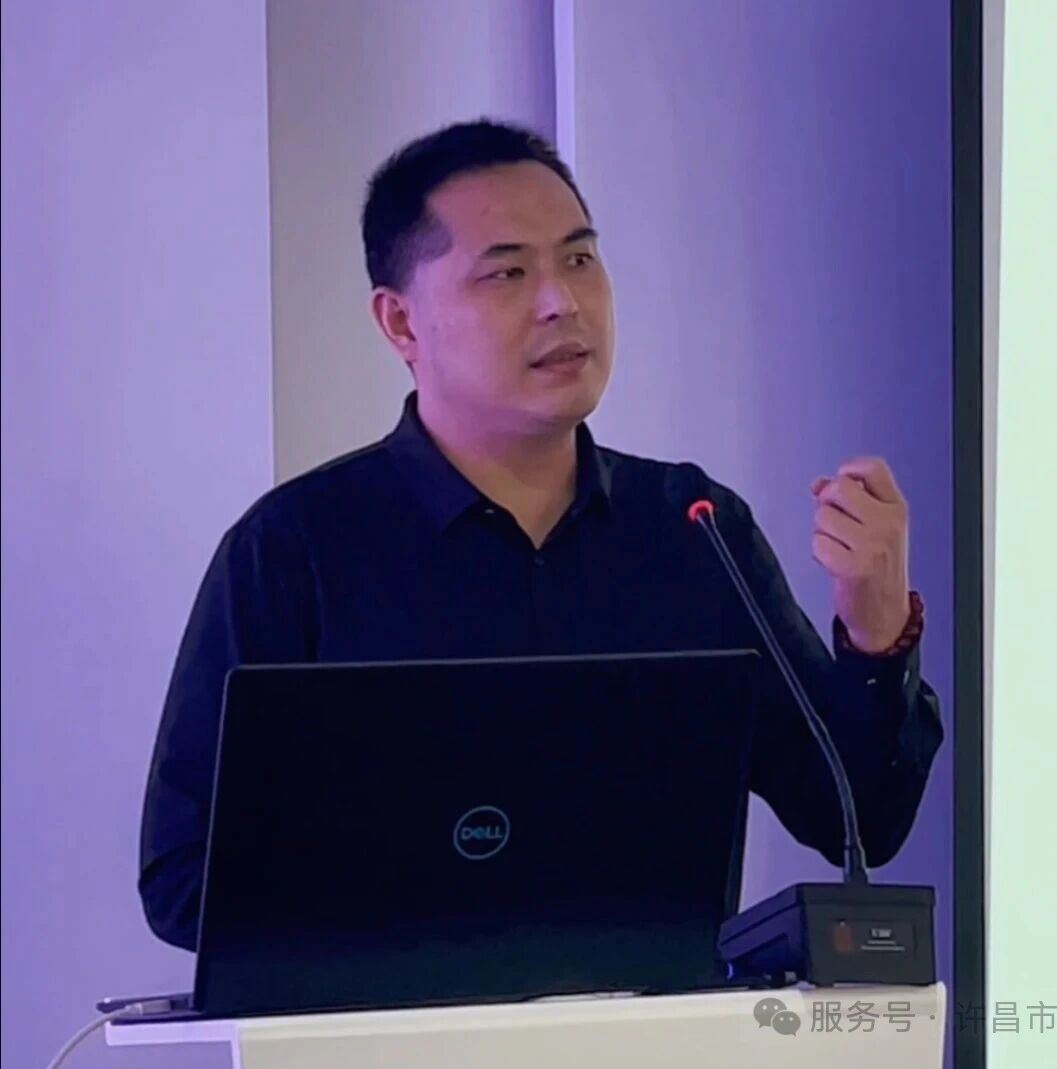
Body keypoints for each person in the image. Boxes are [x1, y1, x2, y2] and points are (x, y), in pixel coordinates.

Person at [138, 119, 943, 951]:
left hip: (659, 1018)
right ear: (401, 323)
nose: (562, 301)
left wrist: (875, 628)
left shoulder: (692, 528)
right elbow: (184, 876)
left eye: (580, 259)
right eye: (508, 272)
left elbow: (858, 818)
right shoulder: (294, 550)